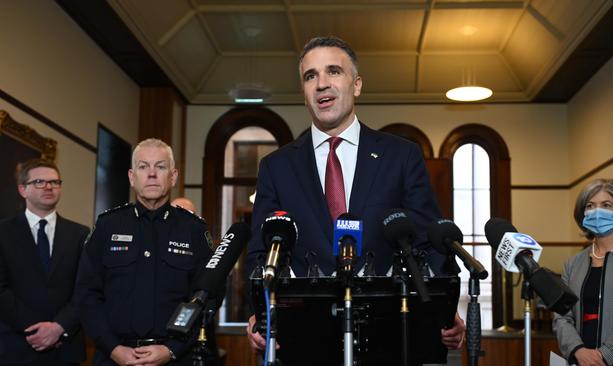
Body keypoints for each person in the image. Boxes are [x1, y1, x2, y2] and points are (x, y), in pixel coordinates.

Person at [245, 36, 465, 363]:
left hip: (391, 338)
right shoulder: (276, 167)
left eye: (334, 71)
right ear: (304, 92)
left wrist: (442, 312)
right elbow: (261, 253)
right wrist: (259, 312)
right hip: (305, 342)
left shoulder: (401, 156)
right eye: (310, 76)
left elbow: (427, 241)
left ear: (356, 85)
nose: (321, 84)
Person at [75, 138, 214, 366]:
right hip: (114, 357)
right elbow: (86, 294)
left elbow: (207, 297)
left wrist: (172, 349)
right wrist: (113, 348)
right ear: (132, 177)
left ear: (173, 176)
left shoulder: (194, 230)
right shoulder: (107, 226)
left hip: (176, 357)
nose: (151, 174)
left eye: (160, 167)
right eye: (143, 166)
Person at [0, 159, 89, 366]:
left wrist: (58, 327)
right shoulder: (3, 232)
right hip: (15, 347)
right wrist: (37, 330)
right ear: (23, 189)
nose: (48, 187)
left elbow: (86, 288)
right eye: (39, 182)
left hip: (65, 348)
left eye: (55, 182)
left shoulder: (80, 234)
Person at [554, 178, 613, 366]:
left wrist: (605, 354)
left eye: (606, 205)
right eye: (590, 205)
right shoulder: (572, 264)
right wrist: (578, 351)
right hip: (581, 360)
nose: (597, 211)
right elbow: (562, 316)